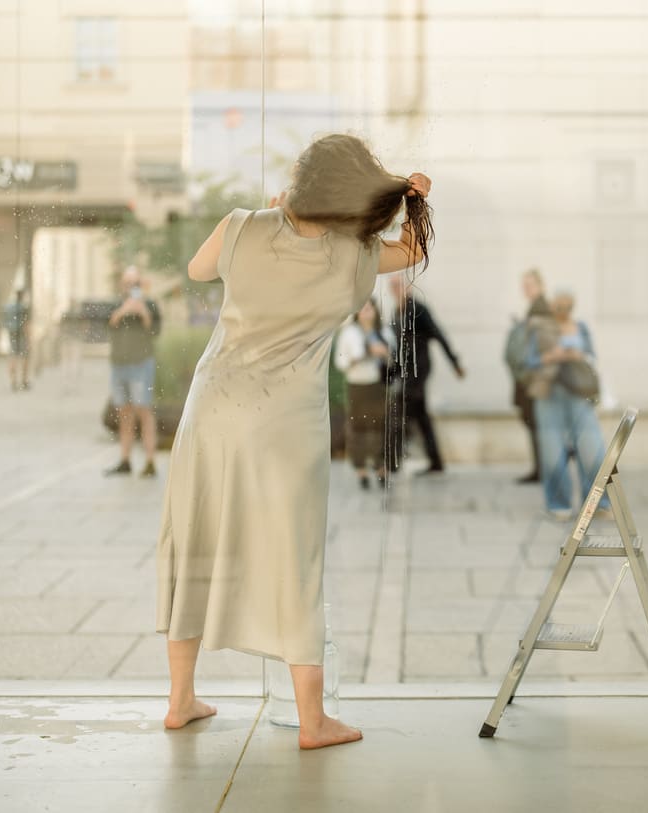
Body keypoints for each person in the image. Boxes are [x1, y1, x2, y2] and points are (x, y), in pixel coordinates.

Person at [157, 133, 433, 750]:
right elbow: (412, 249)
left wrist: (267, 214)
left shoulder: (241, 226)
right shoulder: (355, 257)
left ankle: (180, 700)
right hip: (284, 425)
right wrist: (414, 198)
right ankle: (313, 722)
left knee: (195, 545)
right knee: (295, 559)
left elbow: (200, 270)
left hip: (214, 410)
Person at [524, 290, 612, 521]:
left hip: (579, 394)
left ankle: (598, 504)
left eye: (567, 306)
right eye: (559, 306)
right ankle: (558, 504)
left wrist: (576, 355)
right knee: (552, 452)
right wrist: (552, 356)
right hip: (549, 394)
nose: (563, 311)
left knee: (592, 449)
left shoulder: (580, 327)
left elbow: (592, 357)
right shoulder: (541, 328)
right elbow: (529, 361)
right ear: (552, 307)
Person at [386, 274, 464, 475]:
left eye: (398, 285)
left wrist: (454, 362)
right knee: (421, 415)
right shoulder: (397, 311)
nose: (395, 290)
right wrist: (391, 372)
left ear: (407, 287)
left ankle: (391, 464)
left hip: (419, 370)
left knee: (400, 408)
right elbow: (397, 348)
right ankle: (436, 461)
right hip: (406, 371)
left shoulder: (418, 309)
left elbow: (438, 333)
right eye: (392, 286)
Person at [104, 266, 162, 478]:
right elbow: (107, 327)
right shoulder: (115, 304)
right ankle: (125, 459)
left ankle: (149, 461)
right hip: (119, 365)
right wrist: (123, 310)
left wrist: (143, 312)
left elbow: (155, 331)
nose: (132, 288)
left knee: (144, 411)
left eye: (136, 284)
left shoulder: (150, 305)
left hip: (141, 364)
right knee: (124, 412)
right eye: (129, 284)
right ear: (122, 285)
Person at [334, 297, 393, 490]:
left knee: (379, 428)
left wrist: (384, 354)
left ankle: (380, 468)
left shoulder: (383, 332)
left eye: (370, 308)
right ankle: (361, 470)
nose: (367, 312)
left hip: (377, 385)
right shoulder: (349, 333)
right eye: (363, 308)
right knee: (358, 428)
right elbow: (340, 362)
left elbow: (394, 359)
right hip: (357, 385)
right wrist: (363, 354)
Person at [504, 268, 551, 483]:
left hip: (533, 379)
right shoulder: (535, 308)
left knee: (535, 423)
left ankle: (543, 469)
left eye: (530, 284)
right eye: (525, 285)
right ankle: (541, 468)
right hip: (530, 378)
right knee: (533, 423)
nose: (527, 289)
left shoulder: (541, 309)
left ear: (540, 286)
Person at [1, 289, 31, 392]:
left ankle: (13, 381)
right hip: (21, 334)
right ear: (22, 296)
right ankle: (24, 381)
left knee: (12, 356)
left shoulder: (9, 307)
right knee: (24, 357)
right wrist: (28, 339)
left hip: (12, 334)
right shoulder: (23, 308)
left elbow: (4, 322)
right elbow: (26, 324)